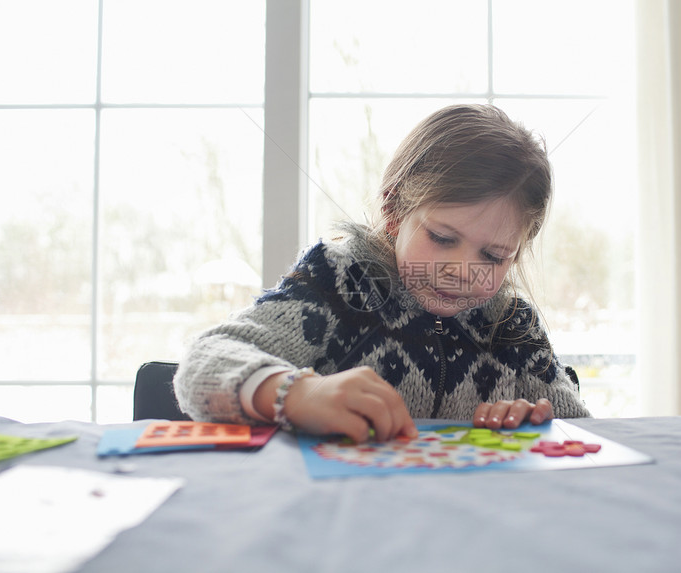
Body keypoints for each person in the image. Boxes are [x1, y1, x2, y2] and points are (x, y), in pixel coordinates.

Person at [174, 104, 590, 443]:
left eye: (494, 256)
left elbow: (583, 435)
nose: (462, 271)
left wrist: (536, 425)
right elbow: (203, 364)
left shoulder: (513, 328)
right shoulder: (337, 282)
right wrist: (294, 394)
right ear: (393, 213)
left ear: (516, 255)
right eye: (443, 238)